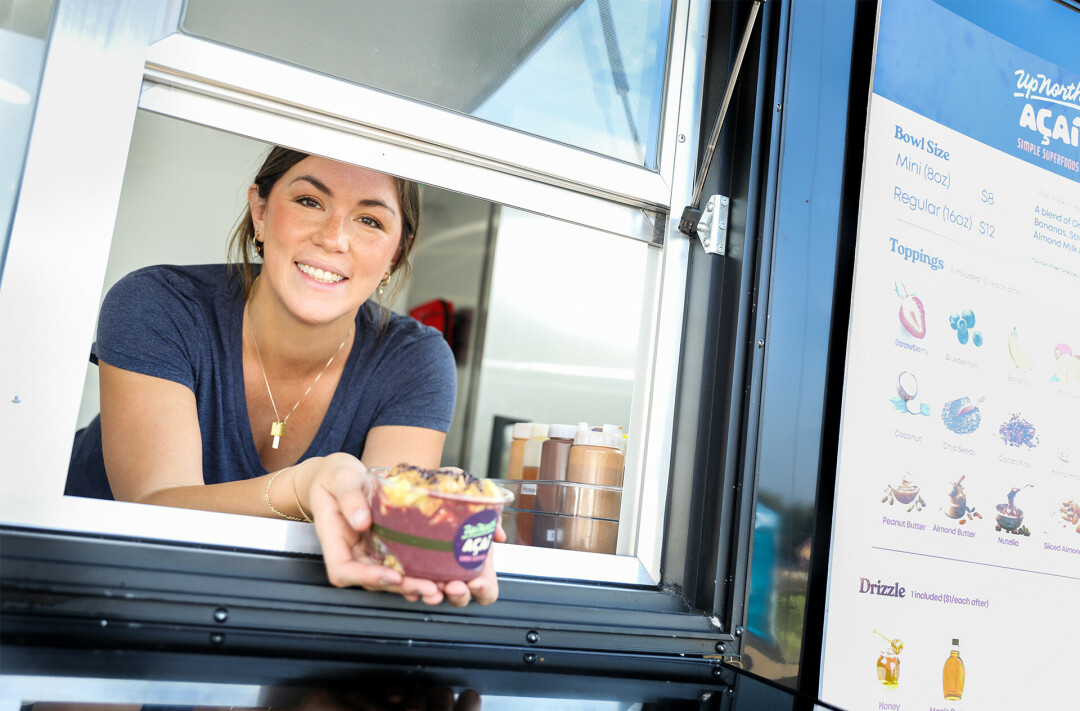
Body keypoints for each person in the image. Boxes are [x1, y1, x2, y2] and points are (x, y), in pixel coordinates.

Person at [65, 147, 503, 606]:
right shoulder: (157, 304)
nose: (334, 239)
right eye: (309, 202)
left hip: (260, 611)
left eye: (370, 221)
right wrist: (302, 486)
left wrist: (428, 519)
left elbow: (378, 530)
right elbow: (153, 509)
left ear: (397, 252)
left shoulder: (414, 358)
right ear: (260, 210)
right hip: (87, 588)